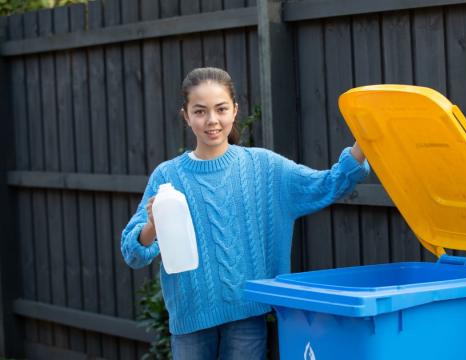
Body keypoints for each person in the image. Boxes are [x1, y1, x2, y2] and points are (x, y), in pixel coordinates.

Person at [120, 67, 369, 359]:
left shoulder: (264, 168)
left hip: (247, 318)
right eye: (200, 111)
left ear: (235, 110)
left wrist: (364, 141)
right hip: (190, 322)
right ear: (186, 116)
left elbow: (327, 184)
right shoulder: (167, 176)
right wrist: (152, 225)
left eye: (221, 109)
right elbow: (133, 253)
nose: (212, 120)